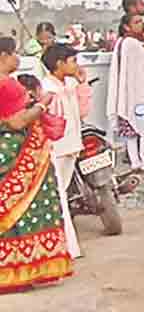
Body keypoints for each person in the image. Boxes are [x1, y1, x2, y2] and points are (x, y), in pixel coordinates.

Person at [0, 36, 73, 291]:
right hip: (18, 154)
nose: (18, 58)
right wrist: (42, 106)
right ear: (3, 55)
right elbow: (16, 122)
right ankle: (20, 271)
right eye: (14, 53)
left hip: (7, 154)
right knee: (25, 211)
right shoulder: (6, 85)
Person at [40, 44, 91, 260]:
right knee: (59, 194)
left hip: (71, 146)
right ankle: (68, 246)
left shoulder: (69, 84)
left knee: (62, 193)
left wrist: (82, 85)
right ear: (59, 64)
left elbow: (82, 112)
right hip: (57, 148)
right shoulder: (47, 89)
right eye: (72, 61)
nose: (76, 65)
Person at [107, 12, 144, 173]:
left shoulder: (121, 43)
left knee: (130, 132)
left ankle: (135, 163)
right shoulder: (132, 44)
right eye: (137, 22)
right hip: (138, 95)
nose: (140, 25)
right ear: (126, 26)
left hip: (125, 95)